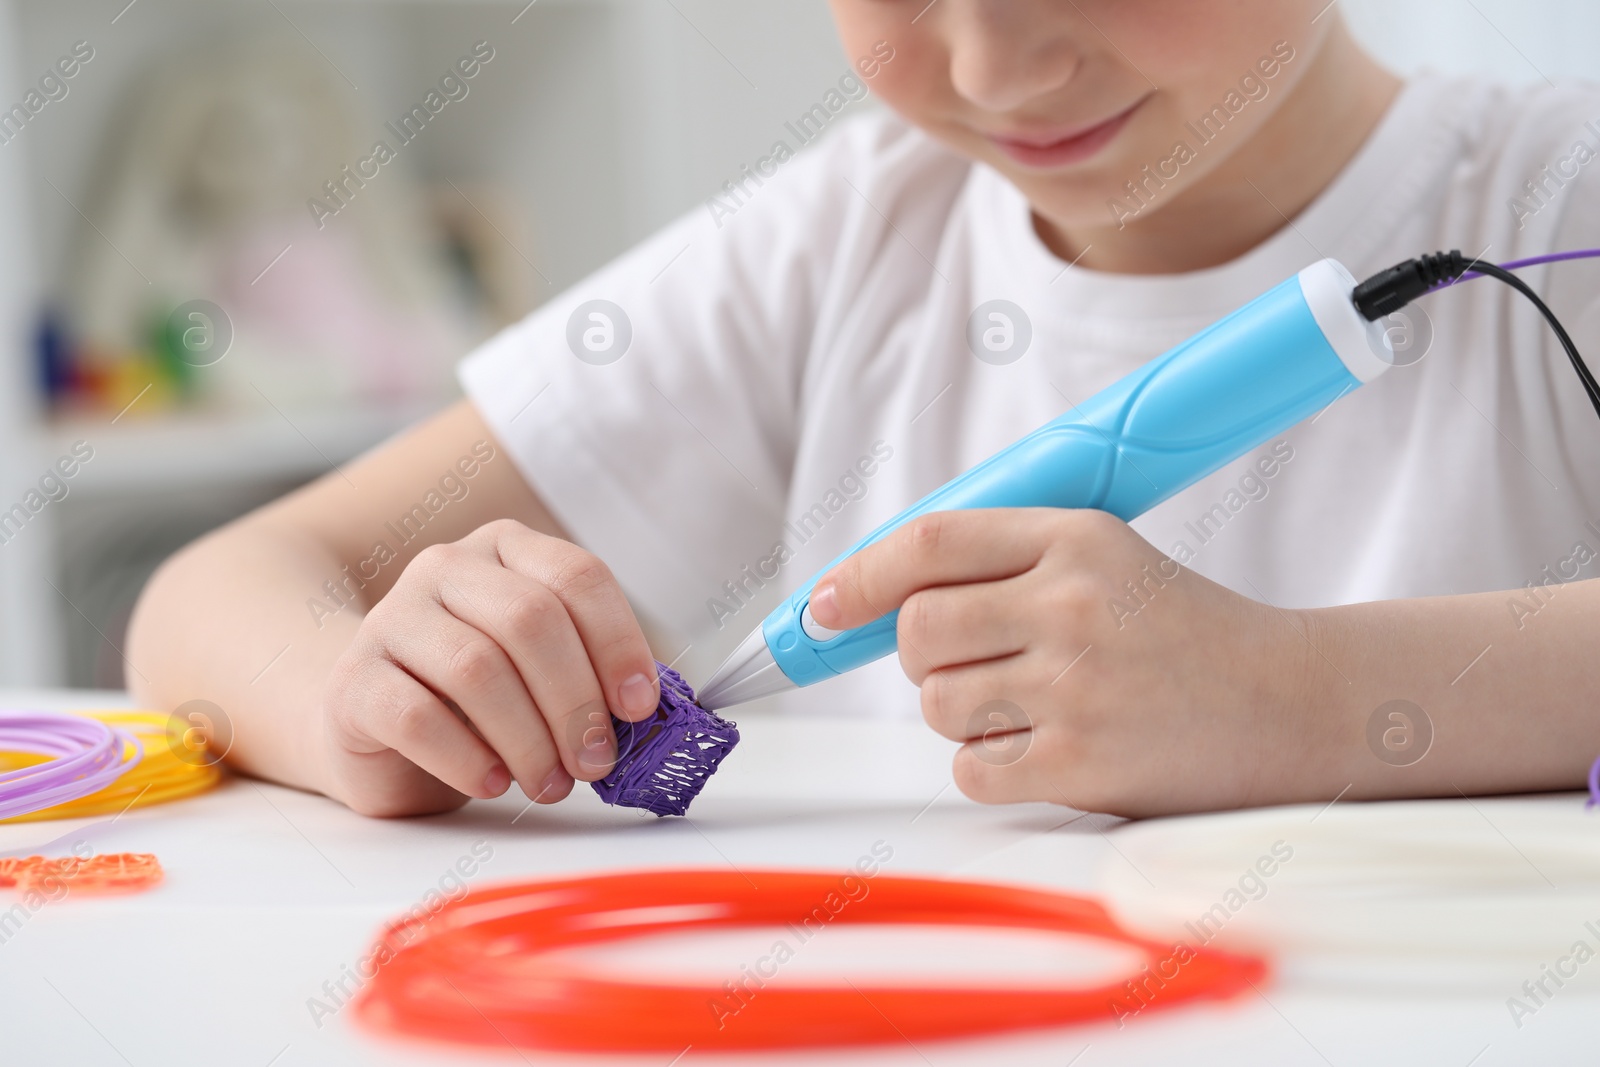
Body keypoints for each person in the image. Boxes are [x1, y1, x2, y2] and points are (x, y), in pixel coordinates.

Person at [127, 0, 1600, 818]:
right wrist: (369, 698)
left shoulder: (1559, 201)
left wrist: (1299, 700)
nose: (991, 65)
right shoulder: (845, 240)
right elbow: (216, 591)